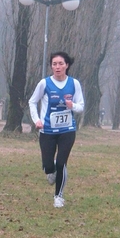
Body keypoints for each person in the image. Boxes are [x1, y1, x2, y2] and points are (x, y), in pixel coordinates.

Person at [28, 51, 84, 208]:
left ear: (67, 65)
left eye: (60, 64)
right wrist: (37, 120)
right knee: (48, 166)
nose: (57, 67)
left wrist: (73, 106)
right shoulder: (44, 84)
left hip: (67, 130)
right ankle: (50, 169)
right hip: (47, 131)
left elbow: (81, 106)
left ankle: (58, 196)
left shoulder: (74, 84)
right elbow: (32, 102)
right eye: (54, 64)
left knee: (61, 163)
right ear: (51, 66)